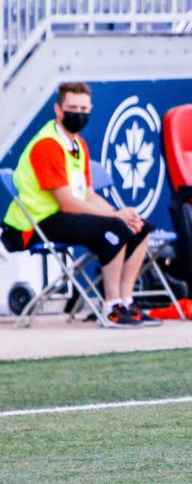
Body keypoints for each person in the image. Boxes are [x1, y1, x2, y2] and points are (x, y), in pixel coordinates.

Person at [1, 82, 159, 327]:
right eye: (72, 107)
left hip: (63, 214)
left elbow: (87, 194)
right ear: (58, 109)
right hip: (36, 223)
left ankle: (126, 302)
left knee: (140, 227)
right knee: (113, 231)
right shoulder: (48, 144)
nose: (79, 113)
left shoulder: (78, 144)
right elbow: (67, 203)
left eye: (84, 108)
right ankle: (110, 306)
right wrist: (116, 218)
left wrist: (120, 214)